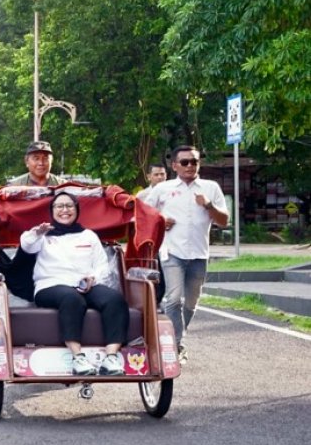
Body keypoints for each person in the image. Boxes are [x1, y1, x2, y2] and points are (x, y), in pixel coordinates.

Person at [20, 193, 129, 376]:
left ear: (77, 210)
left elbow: (101, 264)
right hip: (51, 285)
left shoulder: (88, 235)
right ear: (52, 211)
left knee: (115, 299)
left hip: (86, 284)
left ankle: (111, 357)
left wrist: (93, 277)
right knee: (72, 299)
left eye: (69, 206)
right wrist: (37, 232)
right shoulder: (42, 235)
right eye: (59, 206)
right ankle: (78, 357)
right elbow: (27, 246)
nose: (65, 210)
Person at [147, 145, 228, 364]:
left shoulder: (210, 188)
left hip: (199, 254)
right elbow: (144, 214)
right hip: (172, 252)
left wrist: (208, 205)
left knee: (191, 303)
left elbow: (224, 221)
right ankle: (175, 344)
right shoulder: (163, 189)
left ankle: (173, 333)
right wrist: (160, 220)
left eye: (194, 161)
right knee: (174, 299)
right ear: (174, 166)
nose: (190, 166)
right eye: (185, 162)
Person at [136, 163, 169, 304]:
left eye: (163, 174)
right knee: (156, 269)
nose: (160, 177)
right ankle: (155, 300)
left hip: (172, 239)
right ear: (149, 177)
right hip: (153, 240)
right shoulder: (142, 196)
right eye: (156, 174)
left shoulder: (174, 192)